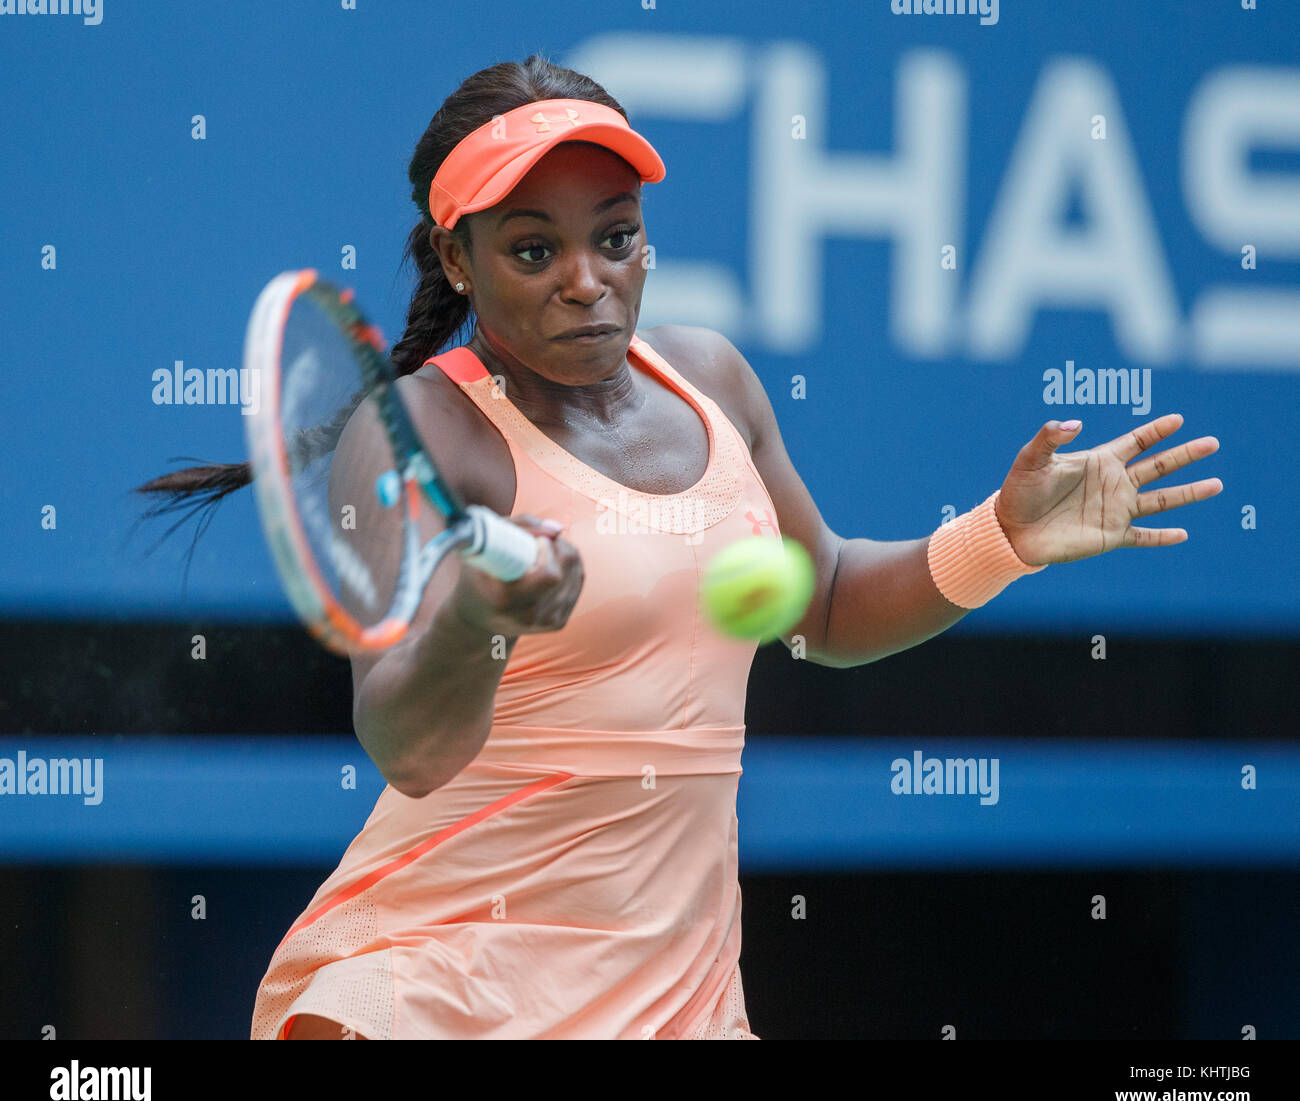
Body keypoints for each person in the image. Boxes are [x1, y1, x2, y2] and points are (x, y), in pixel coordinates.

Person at [137, 54, 1222, 1040]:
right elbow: (404, 742)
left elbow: (828, 603)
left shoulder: (711, 379)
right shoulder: (420, 428)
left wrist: (1003, 534)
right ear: (456, 261)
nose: (585, 277)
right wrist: (479, 619)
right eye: (531, 248)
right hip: (444, 979)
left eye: (614, 236)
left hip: (678, 1000)